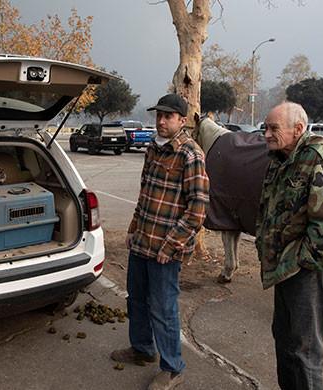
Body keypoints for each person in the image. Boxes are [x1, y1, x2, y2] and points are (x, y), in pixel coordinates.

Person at [111, 93, 209, 390]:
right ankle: (142, 349)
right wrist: (132, 227)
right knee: (136, 299)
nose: (161, 121)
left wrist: (172, 245)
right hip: (142, 241)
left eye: (168, 116)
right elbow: (146, 194)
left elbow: (198, 208)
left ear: (182, 120)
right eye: (158, 115)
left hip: (166, 250)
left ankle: (173, 368)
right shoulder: (153, 148)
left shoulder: (190, 154)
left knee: (163, 309)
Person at [256, 102, 323, 390]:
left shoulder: (318, 160)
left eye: (274, 128)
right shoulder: (280, 159)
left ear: (298, 129)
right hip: (283, 268)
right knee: (284, 341)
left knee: (304, 349)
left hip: (304, 271)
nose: (266, 134)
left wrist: (304, 260)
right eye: (266, 127)